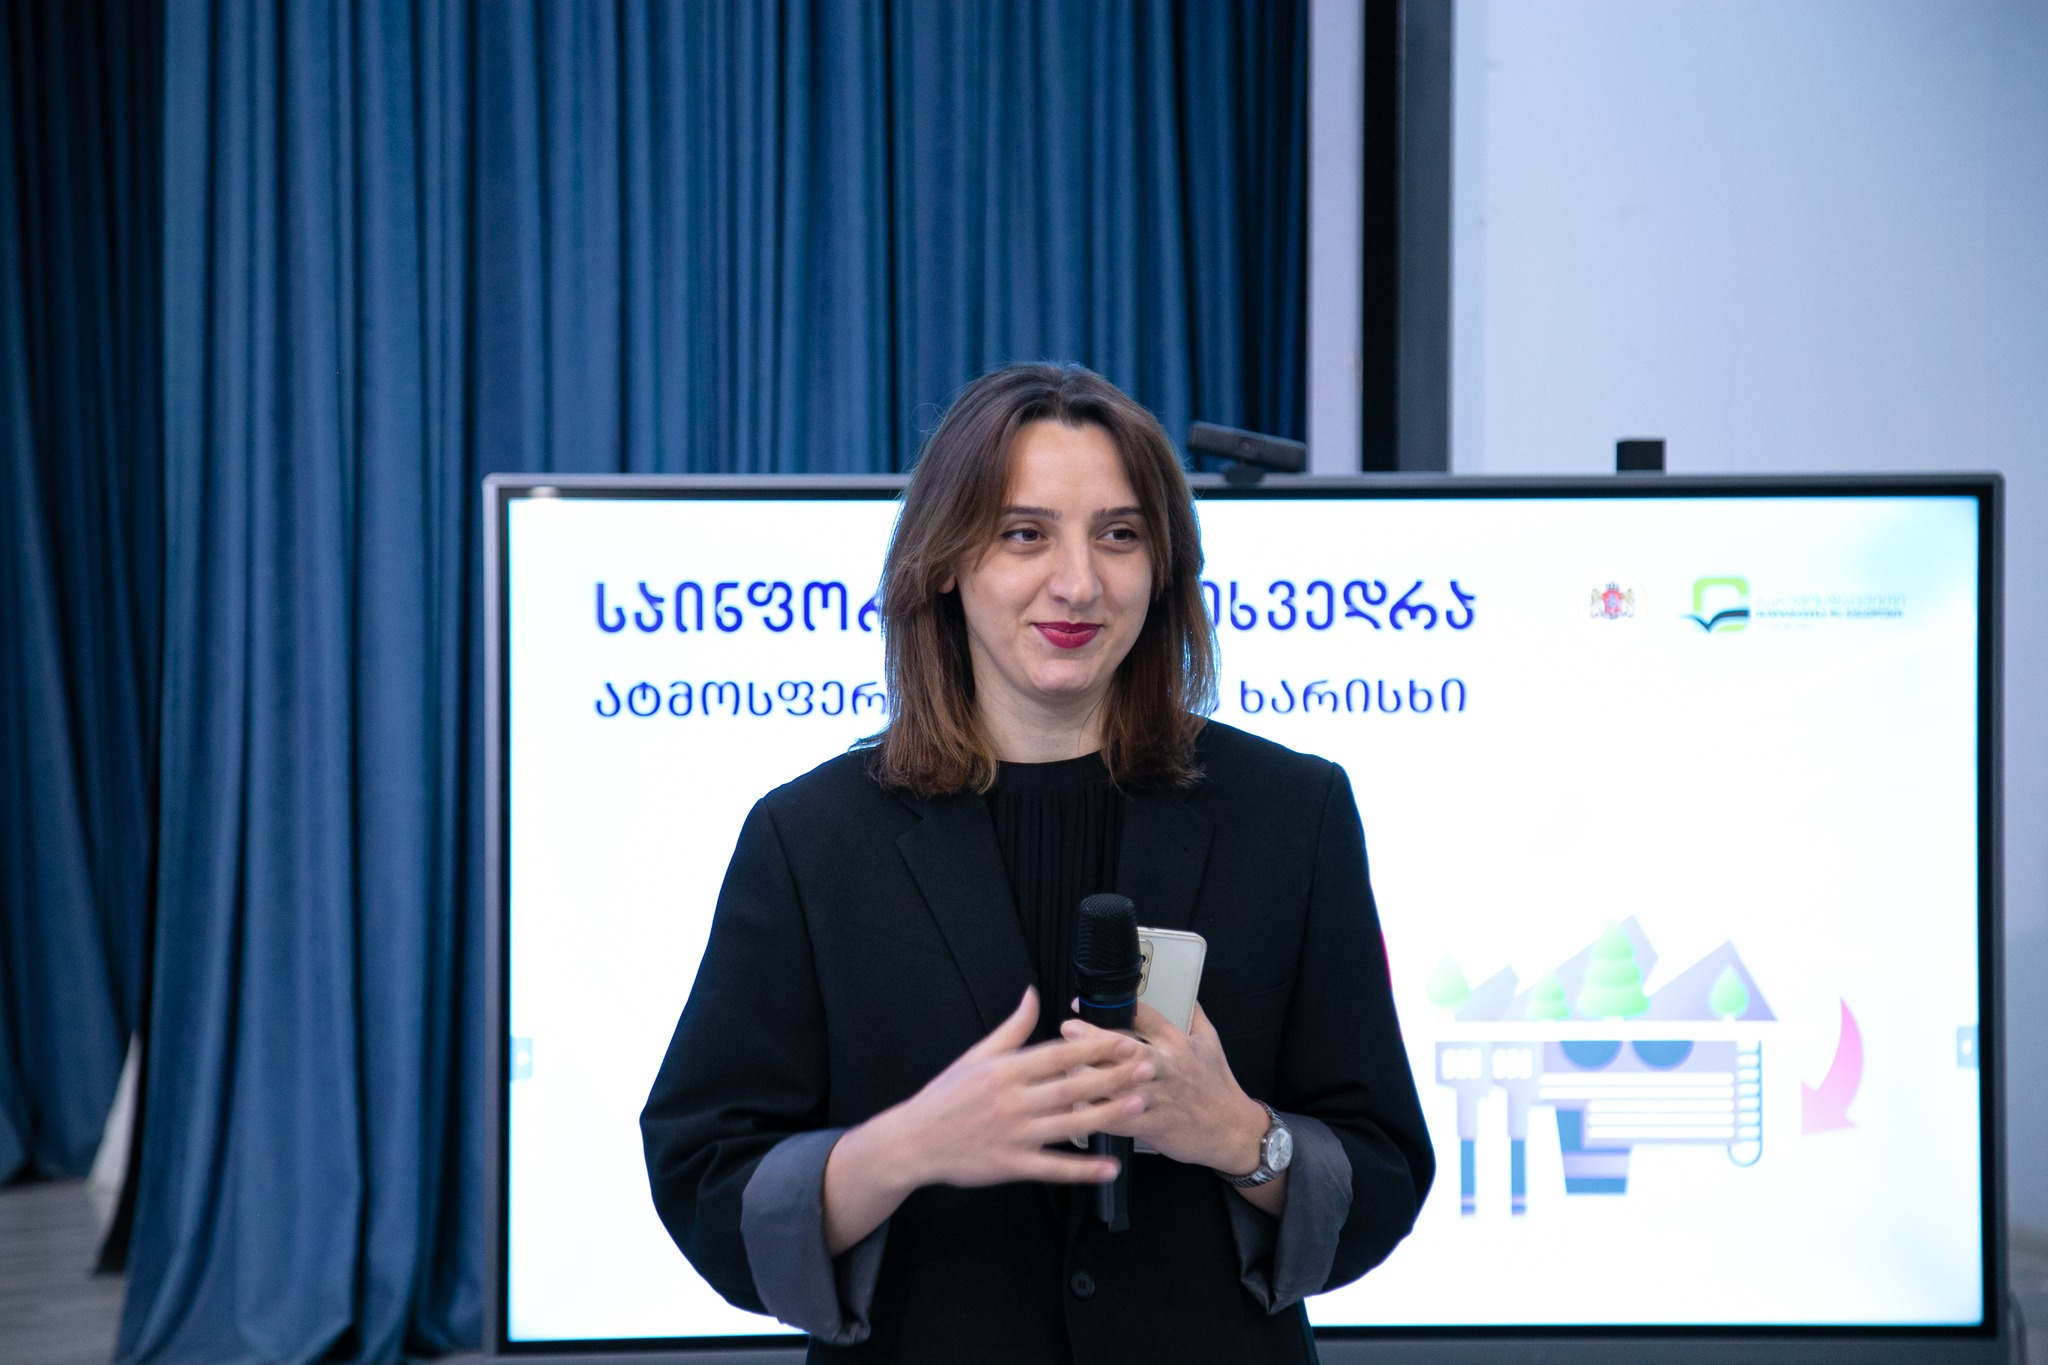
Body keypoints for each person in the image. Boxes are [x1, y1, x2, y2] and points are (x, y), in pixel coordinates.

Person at [641, 362, 1433, 1364]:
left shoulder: (1291, 812)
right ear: (944, 561)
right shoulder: (810, 837)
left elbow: (1383, 1172)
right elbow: (706, 1183)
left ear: (1163, 567)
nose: (1078, 582)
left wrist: (1240, 1135)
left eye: (1119, 535)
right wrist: (904, 1148)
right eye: (1025, 534)